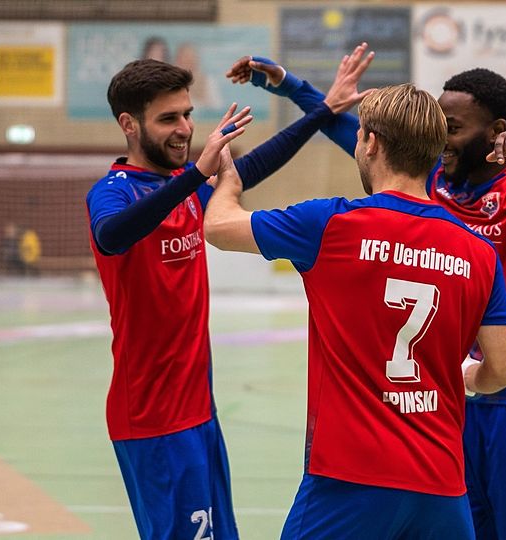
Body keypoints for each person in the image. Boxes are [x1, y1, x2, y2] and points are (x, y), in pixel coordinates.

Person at [227, 52, 506, 540]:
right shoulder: (432, 185)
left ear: (498, 132)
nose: (441, 139)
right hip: (444, 404)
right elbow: (368, 140)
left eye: (453, 128)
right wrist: (290, 86)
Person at [85, 52, 372, 539]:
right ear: (129, 124)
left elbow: (255, 165)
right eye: (168, 119)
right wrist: (197, 175)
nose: (184, 128)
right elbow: (112, 236)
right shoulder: (114, 191)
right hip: (153, 418)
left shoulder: (182, 187)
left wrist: (323, 110)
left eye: (187, 114)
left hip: (199, 410)